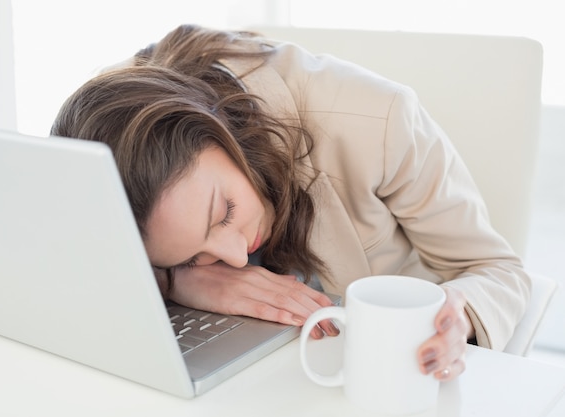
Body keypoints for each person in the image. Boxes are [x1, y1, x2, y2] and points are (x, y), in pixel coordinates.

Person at [50, 24, 530, 382]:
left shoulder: (380, 120)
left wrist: (457, 314)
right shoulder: (120, 131)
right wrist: (181, 278)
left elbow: (499, 269)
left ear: (219, 130)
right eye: (197, 252)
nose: (235, 257)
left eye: (226, 214)